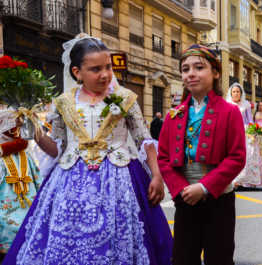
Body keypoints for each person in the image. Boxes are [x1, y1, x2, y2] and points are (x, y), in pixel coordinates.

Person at [4, 35, 173, 264]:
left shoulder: (125, 98)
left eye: (108, 67)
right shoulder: (63, 102)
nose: (105, 74)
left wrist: (156, 174)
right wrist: (34, 127)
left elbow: (143, 138)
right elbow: (57, 148)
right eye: (95, 69)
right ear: (77, 72)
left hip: (120, 178)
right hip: (68, 182)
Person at [158, 44, 246, 265]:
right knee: (183, 258)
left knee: (220, 257)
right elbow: (163, 158)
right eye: (185, 69)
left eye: (199, 67)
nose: (191, 74)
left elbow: (237, 157)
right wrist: (180, 189)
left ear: (215, 73)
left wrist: (204, 187)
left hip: (219, 199)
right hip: (185, 198)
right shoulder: (173, 115)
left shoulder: (230, 111)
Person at [0, 110, 43, 262]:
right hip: (5, 207)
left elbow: (37, 179)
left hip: (27, 202)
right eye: (13, 127)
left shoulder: (26, 155)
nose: (16, 131)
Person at [226, 83, 262, 188]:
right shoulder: (227, 104)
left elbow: (250, 120)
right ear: (231, 93)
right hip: (232, 133)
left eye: (238, 91)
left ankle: (249, 181)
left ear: (241, 93)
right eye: (234, 92)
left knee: (249, 155)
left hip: (245, 132)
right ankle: (234, 181)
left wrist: (253, 131)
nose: (236, 93)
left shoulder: (246, 104)